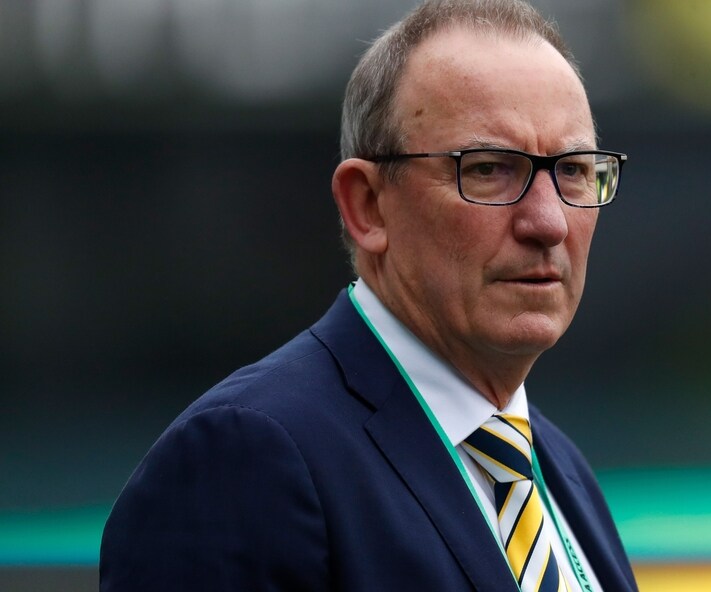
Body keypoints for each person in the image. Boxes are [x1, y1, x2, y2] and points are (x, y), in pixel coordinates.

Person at [99, 0, 636, 590]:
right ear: (368, 206)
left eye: (574, 170)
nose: (549, 222)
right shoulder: (241, 461)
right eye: (488, 169)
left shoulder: (556, 467)